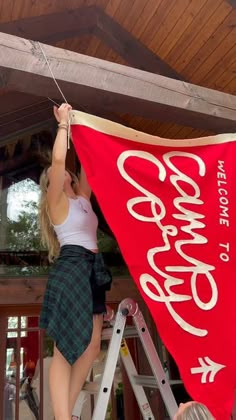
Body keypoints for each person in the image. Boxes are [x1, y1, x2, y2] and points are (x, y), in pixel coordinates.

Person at [38, 103, 112, 420]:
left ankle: (64, 414)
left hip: (92, 271)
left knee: (92, 346)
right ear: (51, 182)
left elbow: (88, 168)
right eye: (56, 175)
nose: (62, 172)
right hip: (71, 270)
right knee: (65, 348)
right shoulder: (56, 204)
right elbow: (57, 159)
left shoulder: (81, 198)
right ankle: (63, 418)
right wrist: (64, 125)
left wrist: (83, 127)